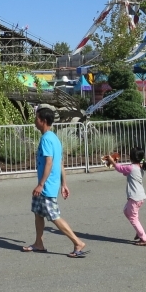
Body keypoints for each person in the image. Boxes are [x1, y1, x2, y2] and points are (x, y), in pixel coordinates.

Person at [22, 107, 87, 257]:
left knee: (54, 216)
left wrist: (41, 184)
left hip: (46, 186)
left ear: (43, 121)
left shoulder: (46, 139)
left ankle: (77, 242)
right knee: (38, 213)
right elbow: (61, 163)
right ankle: (39, 243)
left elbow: (50, 163)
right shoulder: (54, 138)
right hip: (49, 184)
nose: (35, 121)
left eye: (36, 118)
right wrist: (64, 184)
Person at [105, 147, 146, 246]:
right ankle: (138, 229)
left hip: (135, 197)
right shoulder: (139, 167)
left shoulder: (132, 167)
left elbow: (120, 168)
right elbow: (125, 172)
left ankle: (144, 239)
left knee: (132, 217)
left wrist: (112, 161)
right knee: (127, 211)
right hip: (139, 196)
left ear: (132, 157)